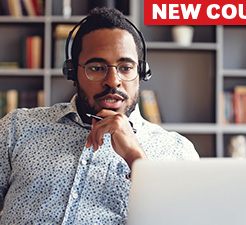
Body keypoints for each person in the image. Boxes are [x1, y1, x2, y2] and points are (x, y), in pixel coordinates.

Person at [0, 7, 199, 224]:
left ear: (141, 73)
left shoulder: (177, 151)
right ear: (73, 73)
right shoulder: (17, 128)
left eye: (125, 67)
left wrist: (136, 159)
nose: (113, 81)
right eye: (96, 67)